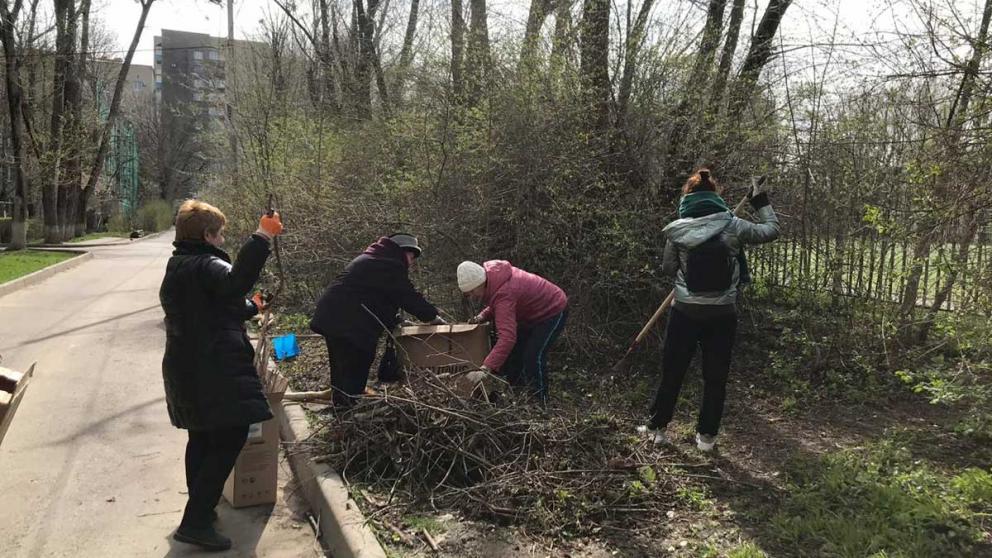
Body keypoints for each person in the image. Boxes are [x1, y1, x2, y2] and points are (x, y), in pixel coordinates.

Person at [159, 200, 284, 551]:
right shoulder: (207, 263)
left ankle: (201, 508)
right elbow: (235, 282)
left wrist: (253, 307)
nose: (223, 238)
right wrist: (262, 236)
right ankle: (196, 520)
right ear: (207, 235)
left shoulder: (179, 265)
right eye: (221, 233)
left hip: (187, 366)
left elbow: (218, 305)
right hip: (212, 368)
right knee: (229, 436)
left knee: (201, 437)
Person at [639, 169, 779, 452]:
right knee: (715, 377)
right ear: (715, 195)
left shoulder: (677, 229)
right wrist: (760, 200)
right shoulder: (734, 225)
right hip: (722, 314)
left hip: (685, 312)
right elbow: (771, 230)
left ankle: (657, 428)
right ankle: (706, 438)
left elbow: (669, 269)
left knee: (673, 372)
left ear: (687, 197)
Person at [310, 234, 443, 407]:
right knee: (357, 361)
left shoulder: (375, 258)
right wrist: (432, 316)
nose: (411, 262)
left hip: (333, 317)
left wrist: (395, 320)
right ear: (402, 252)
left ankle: (342, 405)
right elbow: (406, 295)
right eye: (411, 257)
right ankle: (350, 408)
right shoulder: (389, 264)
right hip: (347, 323)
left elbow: (375, 298)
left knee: (341, 366)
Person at [457, 260, 568, 404]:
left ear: (481, 281)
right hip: (530, 314)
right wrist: (482, 316)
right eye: (468, 294)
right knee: (514, 356)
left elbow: (507, 337)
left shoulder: (504, 292)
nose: (472, 296)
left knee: (533, 357)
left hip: (552, 310)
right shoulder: (493, 279)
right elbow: (496, 303)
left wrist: (485, 368)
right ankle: (519, 394)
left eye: (472, 291)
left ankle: (540, 402)